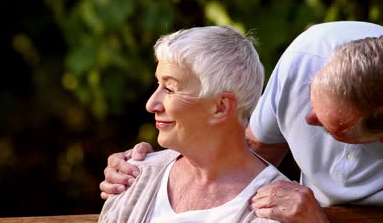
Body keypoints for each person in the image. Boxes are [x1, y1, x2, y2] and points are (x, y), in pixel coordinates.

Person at [100, 21, 383, 223]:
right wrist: (153, 168)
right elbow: (243, 150)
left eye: (331, 127)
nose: (307, 120)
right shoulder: (309, 56)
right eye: (310, 98)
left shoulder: (272, 216)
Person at [99, 26, 289, 223]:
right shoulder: (133, 177)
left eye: (170, 89)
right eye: (158, 85)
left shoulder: (278, 211)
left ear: (221, 107)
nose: (151, 104)